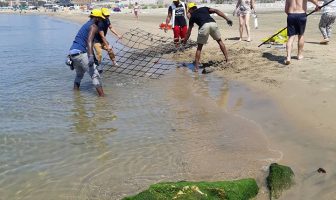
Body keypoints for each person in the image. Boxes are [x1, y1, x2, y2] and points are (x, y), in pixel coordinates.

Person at [184, 3, 233, 72]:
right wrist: (227, 19)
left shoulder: (192, 16)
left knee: (199, 47)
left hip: (204, 26)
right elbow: (216, 10)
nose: (188, 12)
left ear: (191, 9)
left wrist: (185, 41)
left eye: (189, 10)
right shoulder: (204, 8)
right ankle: (228, 60)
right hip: (213, 24)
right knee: (219, 41)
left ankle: (196, 68)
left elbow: (189, 31)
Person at [69, 9, 105, 97]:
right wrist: (91, 57)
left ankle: (76, 96)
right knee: (95, 75)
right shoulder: (94, 27)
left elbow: (90, 45)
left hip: (72, 53)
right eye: (100, 19)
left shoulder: (86, 25)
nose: (101, 21)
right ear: (96, 18)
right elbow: (89, 42)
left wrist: (95, 60)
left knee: (79, 75)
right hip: (81, 53)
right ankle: (103, 98)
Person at [284, 0, 320, 65]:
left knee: (291, 37)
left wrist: (292, 17)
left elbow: (286, 10)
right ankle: (299, 55)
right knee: (301, 35)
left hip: (291, 15)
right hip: (301, 15)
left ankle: (288, 57)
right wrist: (317, 5)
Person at [93, 7, 122, 72]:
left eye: (108, 15)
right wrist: (107, 45)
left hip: (103, 40)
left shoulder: (107, 19)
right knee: (99, 54)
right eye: (106, 15)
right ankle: (98, 66)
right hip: (96, 41)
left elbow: (111, 27)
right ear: (102, 14)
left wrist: (117, 35)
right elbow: (102, 36)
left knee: (110, 50)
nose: (107, 16)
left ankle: (114, 62)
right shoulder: (100, 23)